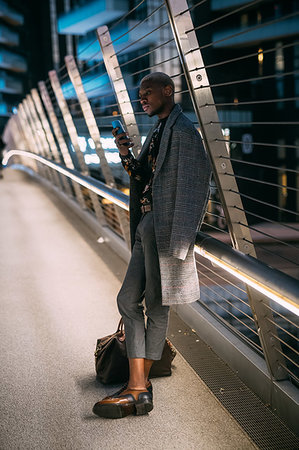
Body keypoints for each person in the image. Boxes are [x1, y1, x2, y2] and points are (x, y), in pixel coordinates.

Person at [93, 72, 211, 419]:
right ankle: (139, 387)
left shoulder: (184, 131)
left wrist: (178, 245)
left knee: (156, 308)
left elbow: (196, 186)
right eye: (139, 95)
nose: (142, 99)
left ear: (167, 91)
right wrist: (123, 151)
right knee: (128, 301)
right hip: (147, 227)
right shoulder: (161, 130)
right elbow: (142, 176)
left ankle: (137, 389)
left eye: (147, 93)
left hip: (163, 230)